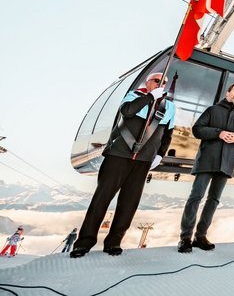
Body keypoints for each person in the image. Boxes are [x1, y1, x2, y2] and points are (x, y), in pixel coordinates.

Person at [71, 72, 176, 258]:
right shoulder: (134, 96)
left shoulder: (169, 107)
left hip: (144, 160)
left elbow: (167, 133)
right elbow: (127, 112)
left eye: (164, 82)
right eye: (157, 81)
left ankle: (114, 242)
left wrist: (160, 154)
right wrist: (150, 97)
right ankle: (84, 242)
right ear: (148, 82)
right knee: (101, 199)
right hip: (118, 155)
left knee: (129, 203)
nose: (161, 84)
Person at [178, 82, 234, 253]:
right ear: (227, 93)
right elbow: (197, 129)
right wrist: (219, 133)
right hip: (207, 161)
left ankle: (200, 236)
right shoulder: (212, 110)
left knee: (214, 200)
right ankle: (185, 238)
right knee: (196, 197)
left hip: (226, 164)